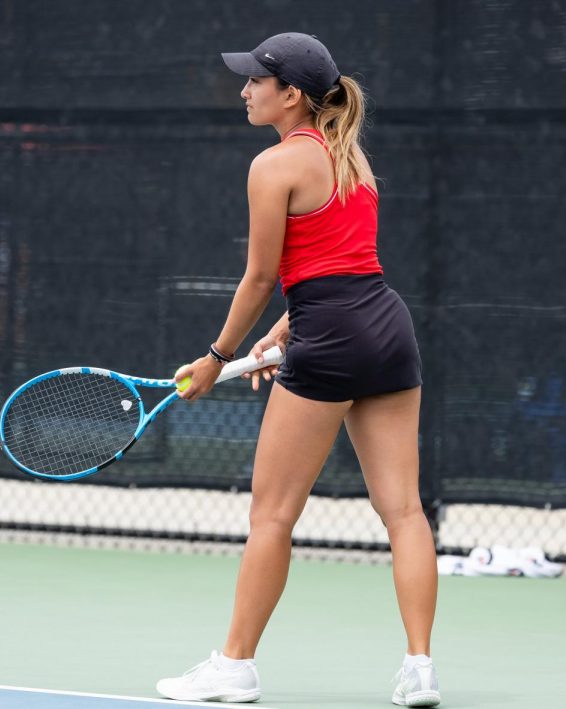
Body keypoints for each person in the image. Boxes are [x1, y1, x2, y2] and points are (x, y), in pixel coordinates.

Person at [156, 33, 440, 707]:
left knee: (272, 515)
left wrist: (217, 357)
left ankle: (234, 666)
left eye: (257, 80)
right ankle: (420, 667)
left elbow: (260, 277)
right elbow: (337, 266)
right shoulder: (351, 158)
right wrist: (286, 331)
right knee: (404, 510)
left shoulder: (273, 165)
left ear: (292, 96)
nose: (246, 89)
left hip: (332, 337)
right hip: (386, 328)